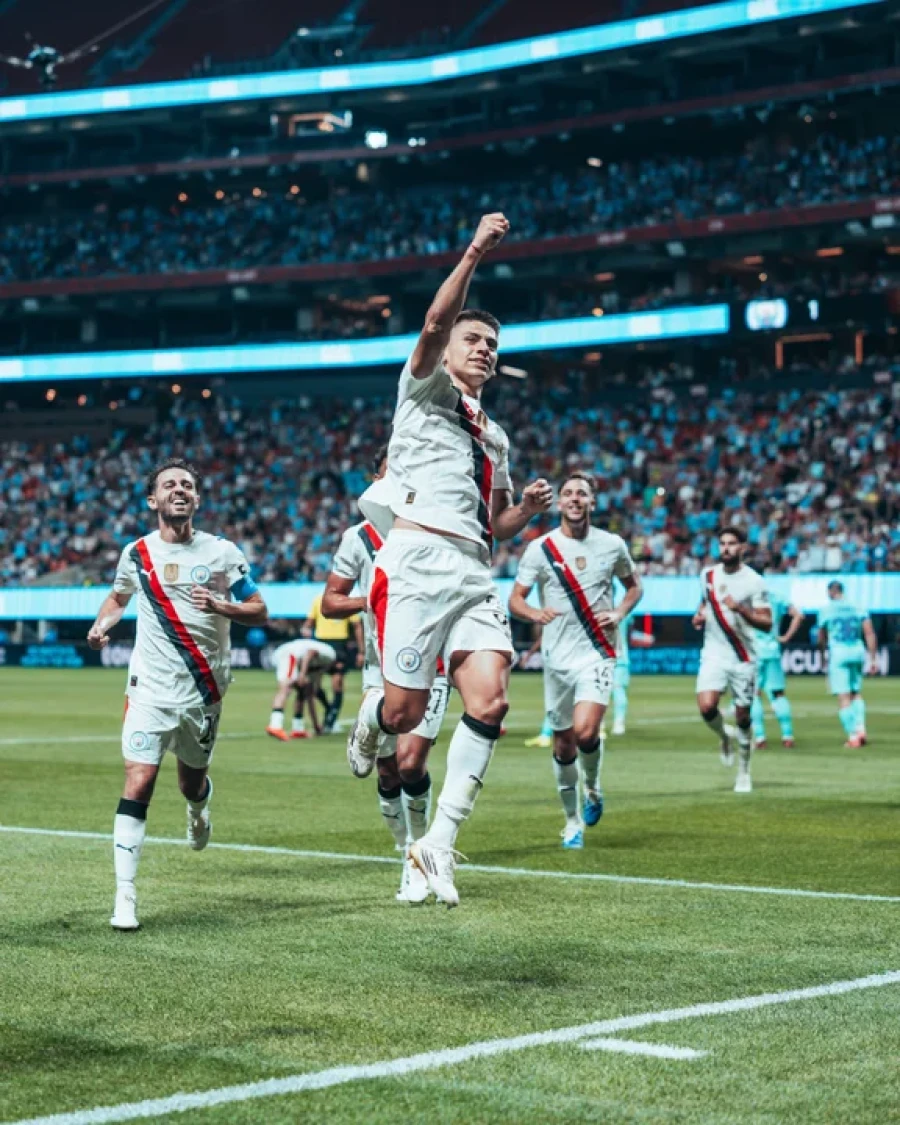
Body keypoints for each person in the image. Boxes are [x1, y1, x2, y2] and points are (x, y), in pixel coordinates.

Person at [347, 212, 553, 907]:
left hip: (472, 570)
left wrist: (523, 510)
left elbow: (494, 521)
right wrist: (472, 253)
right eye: (476, 338)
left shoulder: (494, 437)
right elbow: (434, 326)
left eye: (493, 343)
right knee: (403, 718)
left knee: (492, 699)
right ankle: (371, 716)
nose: (485, 349)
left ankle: (436, 842)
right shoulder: (424, 388)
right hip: (414, 561)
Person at [87, 458, 267, 931]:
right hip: (149, 689)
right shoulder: (137, 554)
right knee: (139, 781)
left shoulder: (224, 553)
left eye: (187, 485)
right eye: (169, 485)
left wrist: (223, 604)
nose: (179, 490)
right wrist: (102, 623)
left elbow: (259, 608)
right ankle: (124, 896)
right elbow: (118, 597)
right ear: (154, 500)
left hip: (203, 691)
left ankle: (198, 808)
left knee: (190, 782)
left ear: (198, 499)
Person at [322, 446, 452, 903]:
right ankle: (405, 851)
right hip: (380, 668)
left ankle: (417, 863)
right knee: (386, 773)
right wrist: (373, 600)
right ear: (376, 480)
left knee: (412, 762)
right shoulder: (357, 539)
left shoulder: (441, 530)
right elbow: (330, 602)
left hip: (431, 666)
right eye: (388, 472)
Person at [509, 473, 642, 848]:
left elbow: (635, 587)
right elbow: (515, 600)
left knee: (586, 732)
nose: (574, 498)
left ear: (592, 502)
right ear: (559, 502)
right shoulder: (540, 549)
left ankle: (594, 788)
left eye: (581, 493)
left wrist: (618, 614)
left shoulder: (612, 545)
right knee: (563, 745)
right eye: (568, 493)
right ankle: (571, 821)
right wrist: (534, 614)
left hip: (597, 653)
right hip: (556, 660)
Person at [692, 526, 771, 794]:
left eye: (732, 544)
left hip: (743, 657)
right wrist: (699, 615)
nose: (726, 548)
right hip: (714, 653)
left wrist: (742, 610)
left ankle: (744, 771)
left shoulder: (754, 582)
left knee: (743, 716)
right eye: (722, 543)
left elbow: (767, 623)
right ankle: (724, 737)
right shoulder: (708, 575)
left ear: (742, 548)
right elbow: (705, 603)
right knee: (706, 707)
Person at [816, 580, 878, 748]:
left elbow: (821, 637)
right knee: (856, 692)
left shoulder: (826, 610)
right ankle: (861, 728)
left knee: (843, 697)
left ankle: (853, 736)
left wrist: (822, 657)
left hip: (838, 652)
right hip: (857, 650)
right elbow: (869, 632)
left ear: (830, 592)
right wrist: (873, 658)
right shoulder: (857, 606)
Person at [751, 585, 804, 749]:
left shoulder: (744, 597)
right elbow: (799, 615)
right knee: (778, 694)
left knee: (754, 694)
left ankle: (760, 737)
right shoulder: (776, 596)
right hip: (772, 650)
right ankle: (787, 735)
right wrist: (786, 637)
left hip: (753, 651)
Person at [305, 588, 363, 734]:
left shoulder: (346, 601)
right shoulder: (318, 600)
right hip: (321, 644)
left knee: (337, 684)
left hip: (339, 646)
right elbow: (310, 623)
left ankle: (330, 721)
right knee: (315, 686)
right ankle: (330, 709)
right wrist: (306, 629)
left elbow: (356, 626)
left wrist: (361, 651)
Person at [266, 638, 338, 740]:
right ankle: (275, 725)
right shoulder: (330, 655)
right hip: (289, 653)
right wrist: (302, 674)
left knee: (303, 691)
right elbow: (310, 652)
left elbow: (310, 695)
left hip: (294, 657)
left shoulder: (318, 668)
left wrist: (316, 726)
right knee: (286, 688)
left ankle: (298, 729)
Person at [609, 609, 654, 736]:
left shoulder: (595, 609)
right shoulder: (624, 611)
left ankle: (603, 724)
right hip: (620, 655)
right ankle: (618, 723)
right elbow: (630, 636)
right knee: (618, 689)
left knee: (601, 690)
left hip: (604, 656)